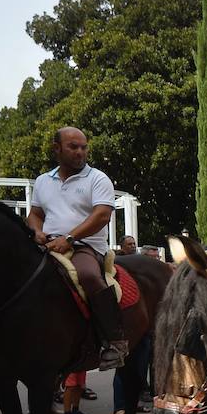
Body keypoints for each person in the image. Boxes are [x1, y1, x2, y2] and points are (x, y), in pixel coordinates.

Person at [27, 127, 127, 369]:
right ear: (56, 149)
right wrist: (38, 232)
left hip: (86, 246)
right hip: (50, 244)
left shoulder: (97, 178)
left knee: (88, 275)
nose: (80, 152)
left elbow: (102, 216)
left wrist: (69, 238)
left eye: (83, 147)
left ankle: (115, 342)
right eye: (73, 147)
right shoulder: (42, 181)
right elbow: (35, 214)